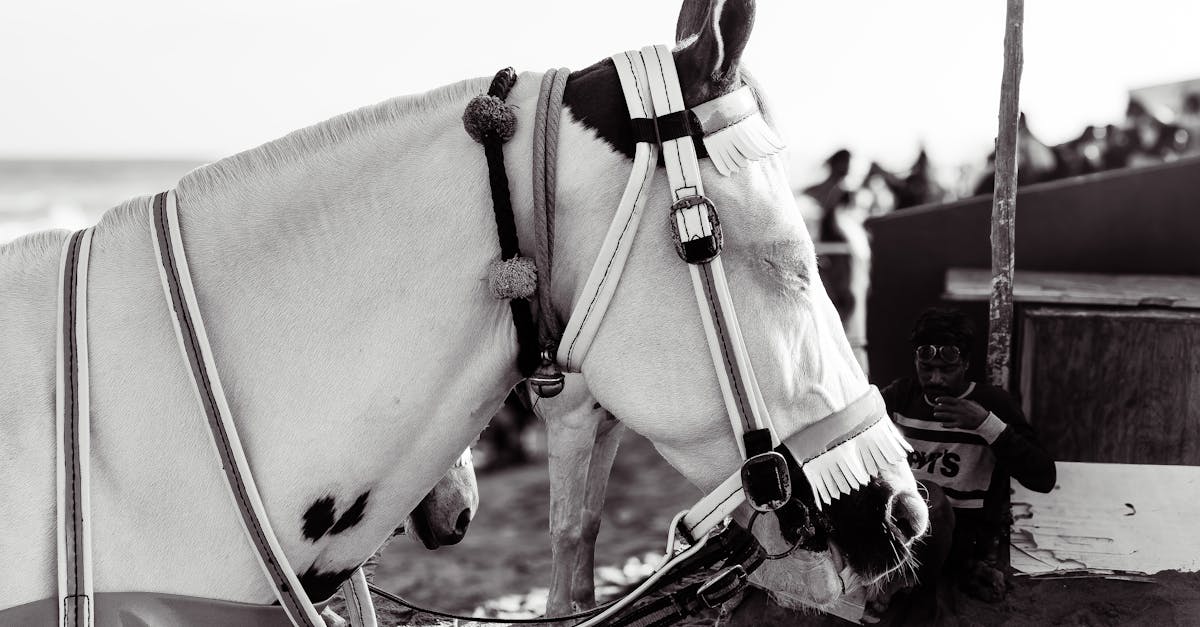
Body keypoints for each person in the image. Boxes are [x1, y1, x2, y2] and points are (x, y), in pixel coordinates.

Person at [877, 307, 1056, 618]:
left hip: (961, 540)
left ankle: (916, 593)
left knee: (929, 497)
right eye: (926, 367)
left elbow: (1043, 477)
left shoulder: (991, 404)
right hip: (898, 532)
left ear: (966, 364)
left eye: (947, 370)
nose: (935, 379)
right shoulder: (902, 397)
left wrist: (986, 424)